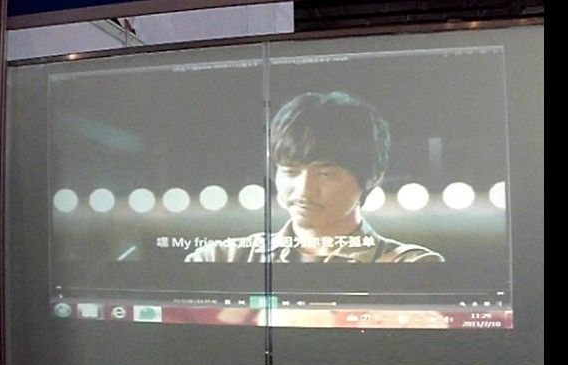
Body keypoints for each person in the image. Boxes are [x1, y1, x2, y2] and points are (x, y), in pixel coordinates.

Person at [185, 91, 444, 263]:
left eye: (325, 173)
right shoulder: (222, 257)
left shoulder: (410, 264)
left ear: (372, 177)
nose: (304, 190)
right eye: (290, 171)